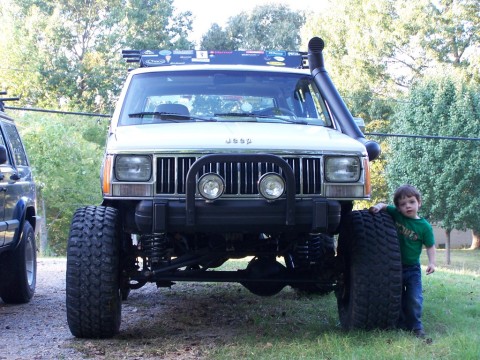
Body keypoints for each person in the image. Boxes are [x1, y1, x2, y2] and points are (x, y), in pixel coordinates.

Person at [369, 184, 436, 338]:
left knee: (414, 297)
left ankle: (416, 327)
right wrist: (377, 207)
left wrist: (432, 263)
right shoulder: (397, 215)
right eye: (403, 204)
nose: (408, 206)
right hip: (394, 267)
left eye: (411, 202)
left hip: (412, 268)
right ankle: (399, 323)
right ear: (398, 208)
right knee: (395, 296)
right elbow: (385, 206)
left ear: (419, 202)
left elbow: (430, 246)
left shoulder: (424, 226)